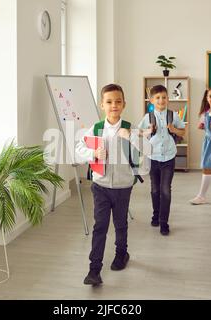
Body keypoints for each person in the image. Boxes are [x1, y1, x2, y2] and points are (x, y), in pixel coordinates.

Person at [75, 84, 151, 286]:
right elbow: (79, 148)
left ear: (124, 104)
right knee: (100, 226)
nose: (114, 105)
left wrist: (132, 136)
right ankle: (94, 270)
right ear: (102, 105)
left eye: (118, 101)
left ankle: (121, 254)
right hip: (100, 186)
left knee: (120, 224)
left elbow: (149, 149)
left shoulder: (130, 127)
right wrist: (93, 154)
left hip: (123, 187)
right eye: (109, 102)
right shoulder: (97, 129)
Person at [138, 85, 186, 235]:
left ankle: (164, 222)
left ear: (168, 99)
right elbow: (139, 133)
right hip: (153, 157)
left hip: (169, 158)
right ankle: (156, 215)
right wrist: (148, 130)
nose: (161, 100)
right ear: (152, 100)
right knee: (155, 189)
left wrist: (174, 129)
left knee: (165, 190)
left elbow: (183, 131)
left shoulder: (173, 115)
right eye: (157, 98)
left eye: (164, 97)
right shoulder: (148, 117)